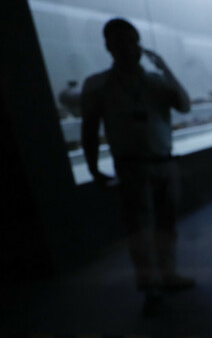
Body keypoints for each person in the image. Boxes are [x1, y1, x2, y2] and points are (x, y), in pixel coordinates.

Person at [81, 18, 194, 316]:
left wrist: (164, 67)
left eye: (132, 41)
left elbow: (184, 105)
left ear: (139, 44)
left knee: (166, 224)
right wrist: (93, 168)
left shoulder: (155, 81)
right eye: (120, 42)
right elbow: (89, 129)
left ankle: (167, 274)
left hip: (163, 161)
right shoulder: (98, 85)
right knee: (140, 229)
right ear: (108, 46)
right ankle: (150, 285)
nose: (128, 48)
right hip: (131, 166)